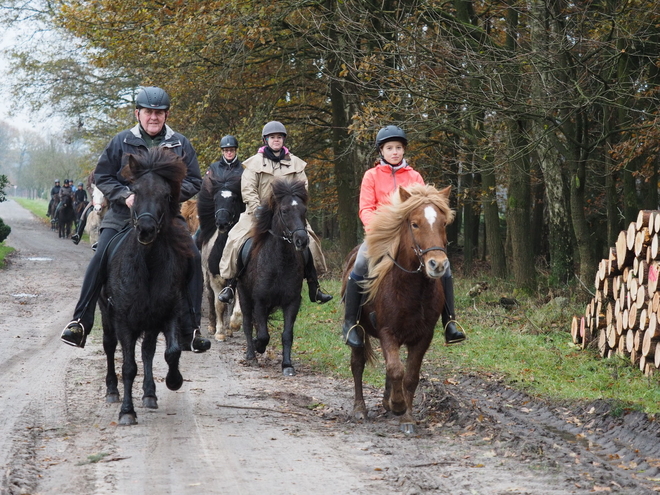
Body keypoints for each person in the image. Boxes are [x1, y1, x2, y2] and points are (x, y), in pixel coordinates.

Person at [60, 86, 211, 353]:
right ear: (138, 113)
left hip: (166, 216)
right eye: (149, 112)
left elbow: (194, 180)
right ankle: (80, 321)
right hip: (122, 215)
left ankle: (192, 328)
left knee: (194, 257)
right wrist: (125, 194)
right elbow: (103, 176)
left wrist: (168, 195)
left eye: (159, 113)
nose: (154, 117)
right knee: (101, 255)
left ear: (166, 115)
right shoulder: (121, 141)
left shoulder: (180, 143)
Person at [341, 125, 466, 347]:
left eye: (399, 147)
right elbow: (366, 209)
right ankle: (351, 323)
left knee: (445, 269)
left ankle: (450, 323)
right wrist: (377, 231)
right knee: (360, 264)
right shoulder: (371, 176)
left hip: (409, 238)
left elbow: (423, 207)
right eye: (390, 148)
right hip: (380, 236)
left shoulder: (414, 176)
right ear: (382, 151)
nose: (395, 152)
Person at [217, 121, 332, 305]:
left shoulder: (295, 163)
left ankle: (314, 285)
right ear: (266, 140)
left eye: (279, 137)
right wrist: (258, 210)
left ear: (283, 140)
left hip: (289, 215)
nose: (276, 140)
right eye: (272, 137)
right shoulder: (254, 164)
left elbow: (303, 189)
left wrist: (293, 209)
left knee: (310, 242)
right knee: (235, 241)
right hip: (258, 213)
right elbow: (248, 190)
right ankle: (231, 284)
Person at [192, 135, 242, 248]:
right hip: (216, 207)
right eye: (226, 150)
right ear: (223, 151)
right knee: (198, 235)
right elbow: (206, 187)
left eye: (231, 150)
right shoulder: (214, 168)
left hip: (236, 208)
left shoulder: (242, 169)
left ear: (235, 151)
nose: (229, 153)